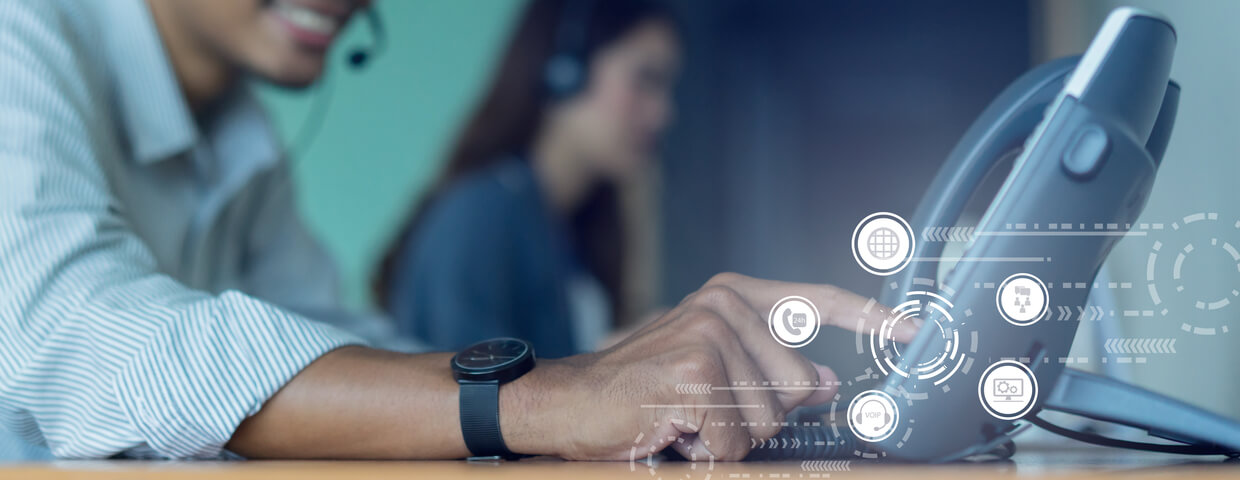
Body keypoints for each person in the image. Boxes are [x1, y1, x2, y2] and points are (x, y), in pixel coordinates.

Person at [0, 0, 916, 461]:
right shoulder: (20, 39)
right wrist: (553, 395)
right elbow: (90, 340)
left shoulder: (244, 141)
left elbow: (359, 352)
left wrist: (633, 368)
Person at [376, 0, 680, 358]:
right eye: (645, 79)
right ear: (567, 69)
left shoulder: (571, 228)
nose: (663, 114)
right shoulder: (482, 213)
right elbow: (471, 401)